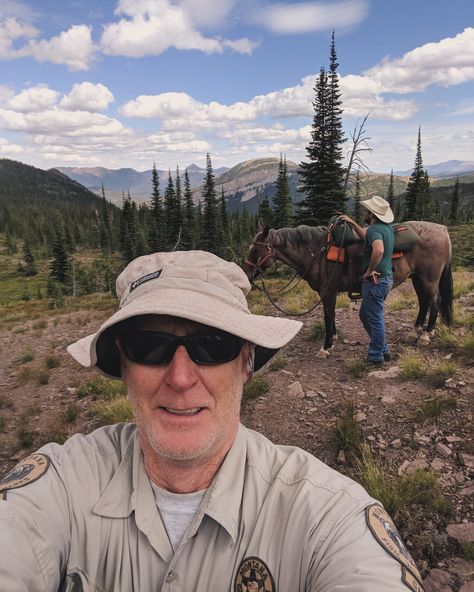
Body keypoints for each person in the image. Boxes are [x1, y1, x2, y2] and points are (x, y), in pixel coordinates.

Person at [0, 250, 423, 591]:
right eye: (150, 347)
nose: (181, 378)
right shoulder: (59, 483)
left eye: (213, 345)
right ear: (124, 365)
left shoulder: (327, 515)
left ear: (245, 363)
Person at [340, 195, 395, 365]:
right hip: (385, 280)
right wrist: (352, 223)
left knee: (375, 317)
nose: (364, 212)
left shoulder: (374, 230)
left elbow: (378, 250)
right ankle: (382, 348)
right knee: (365, 315)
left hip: (374, 282)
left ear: (371, 214)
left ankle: (375, 356)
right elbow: (366, 235)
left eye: (367, 211)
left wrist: (369, 271)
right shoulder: (386, 228)